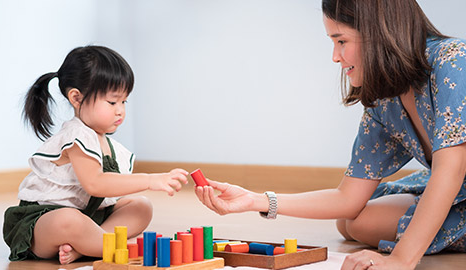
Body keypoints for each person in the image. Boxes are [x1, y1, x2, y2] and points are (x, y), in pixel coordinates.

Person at [195, 0, 466, 269]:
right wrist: (256, 200)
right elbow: (348, 199)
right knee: (351, 221)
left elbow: (451, 170)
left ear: (378, 33)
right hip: (452, 185)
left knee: (364, 222)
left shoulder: (453, 60)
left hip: (454, 180)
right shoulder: (386, 99)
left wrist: (400, 260)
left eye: (341, 41)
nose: (335, 57)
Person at [3, 45, 189, 265]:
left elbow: (109, 194)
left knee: (141, 206)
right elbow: (95, 184)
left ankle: (86, 248)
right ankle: (106, 245)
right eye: (112, 102)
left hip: (88, 217)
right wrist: (149, 180)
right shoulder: (76, 135)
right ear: (76, 98)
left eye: (124, 101)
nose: (120, 110)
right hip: (42, 223)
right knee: (68, 219)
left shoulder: (108, 143)